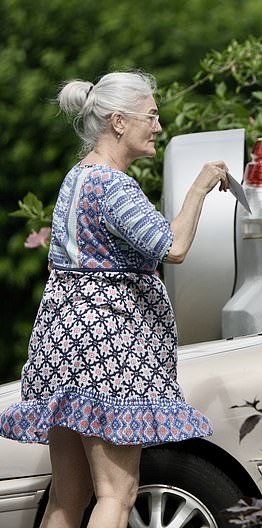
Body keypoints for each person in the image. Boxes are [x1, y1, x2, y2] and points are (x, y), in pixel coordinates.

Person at [0, 71, 228, 528]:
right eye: (152, 116)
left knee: (69, 496)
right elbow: (173, 247)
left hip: (61, 344)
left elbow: (60, 261)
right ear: (119, 122)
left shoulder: (77, 178)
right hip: (109, 350)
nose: (158, 126)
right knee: (117, 494)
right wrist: (199, 188)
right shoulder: (114, 186)